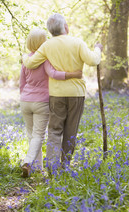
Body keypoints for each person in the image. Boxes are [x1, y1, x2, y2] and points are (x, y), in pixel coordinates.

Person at [22, 13, 103, 173]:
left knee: (54, 129)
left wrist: (24, 57)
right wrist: (98, 49)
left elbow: (30, 63)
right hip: (76, 93)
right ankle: (65, 165)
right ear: (65, 27)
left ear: (50, 31)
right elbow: (94, 60)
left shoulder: (47, 45)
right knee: (70, 130)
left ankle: (52, 167)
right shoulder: (78, 42)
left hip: (56, 94)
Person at [20, 28, 82, 177]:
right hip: (41, 102)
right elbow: (54, 74)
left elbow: (22, 83)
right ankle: (28, 162)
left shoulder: (26, 60)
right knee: (38, 135)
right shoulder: (45, 59)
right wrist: (73, 74)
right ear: (43, 42)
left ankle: (37, 167)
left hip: (25, 101)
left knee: (31, 135)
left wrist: (24, 97)